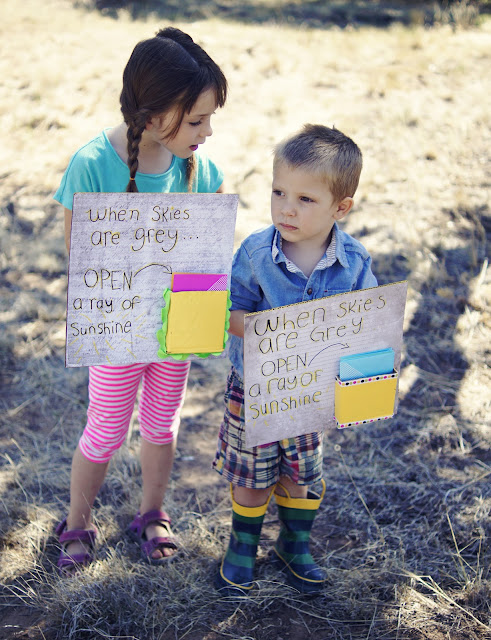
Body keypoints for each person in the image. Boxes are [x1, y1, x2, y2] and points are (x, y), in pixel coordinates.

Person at [53, 27, 227, 574]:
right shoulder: (91, 165)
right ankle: (77, 522)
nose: (208, 132)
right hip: (116, 332)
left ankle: (152, 513)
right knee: (104, 431)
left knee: (162, 426)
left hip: (176, 334)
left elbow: (210, 259)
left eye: (209, 119)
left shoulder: (203, 172)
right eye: (196, 121)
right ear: (151, 117)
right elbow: (81, 257)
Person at [213, 124, 377, 595]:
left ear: (340, 208)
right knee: (251, 472)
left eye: (305, 199)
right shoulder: (255, 253)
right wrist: (278, 331)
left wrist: (361, 389)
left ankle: (293, 543)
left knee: (300, 471)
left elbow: (368, 326)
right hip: (256, 385)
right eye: (279, 192)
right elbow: (230, 310)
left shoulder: (354, 262)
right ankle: (243, 544)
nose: (287, 207)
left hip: (312, 391)